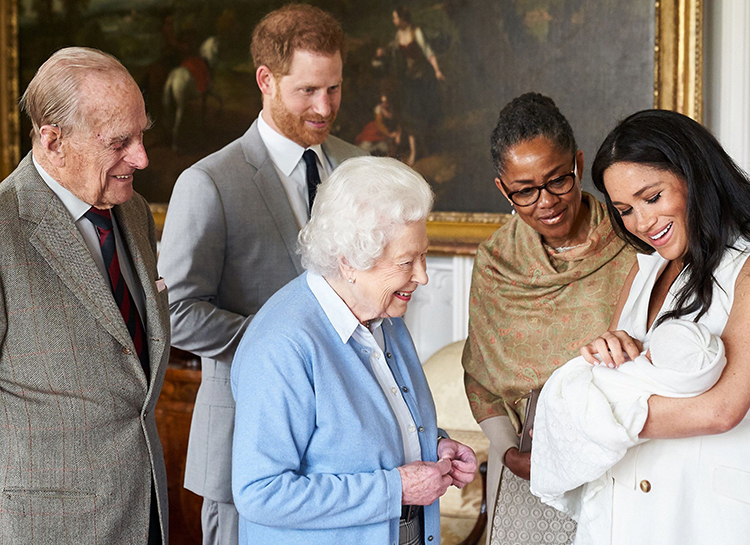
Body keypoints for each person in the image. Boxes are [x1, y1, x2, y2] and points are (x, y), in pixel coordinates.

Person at [157, 5, 365, 545]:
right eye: (308, 91)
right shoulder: (209, 183)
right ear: (266, 80)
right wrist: (285, 341)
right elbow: (175, 314)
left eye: (335, 89)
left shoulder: (358, 166)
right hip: (244, 441)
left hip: (347, 450)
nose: (324, 108)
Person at [231, 156, 477, 545]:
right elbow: (261, 493)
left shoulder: (386, 315)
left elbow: (363, 437)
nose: (423, 276)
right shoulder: (282, 345)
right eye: (406, 261)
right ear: (349, 261)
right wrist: (395, 490)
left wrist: (435, 444)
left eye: (423, 255)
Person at [0, 47, 170, 543]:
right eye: (120, 142)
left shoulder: (134, 213)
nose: (141, 158)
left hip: (147, 509)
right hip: (50, 526)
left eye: (142, 135)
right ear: (53, 141)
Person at [461, 93, 636, 545]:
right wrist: (509, 454)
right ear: (504, 189)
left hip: (625, 451)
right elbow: (481, 377)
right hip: (527, 461)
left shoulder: (634, 243)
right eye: (525, 191)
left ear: (577, 163)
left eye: (558, 180)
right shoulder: (496, 263)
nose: (547, 202)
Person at [571, 108, 750, 545]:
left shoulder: (744, 268)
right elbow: (611, 376)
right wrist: (608, 349)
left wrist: (592, 414)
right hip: (622, 506)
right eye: (625, 209)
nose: (642, 223)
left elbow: (722, 409)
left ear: (694, 174)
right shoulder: (645, 270)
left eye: (652, 197)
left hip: (699, 512)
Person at [531, 320, 725, 545]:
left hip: (668, 490)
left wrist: (562, 420)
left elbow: (603, 414)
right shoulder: (693, 375)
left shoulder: (645, 379)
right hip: (622, 490)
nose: (644, 354)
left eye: (649, 352)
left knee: (576, 396)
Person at [374, 6, 444, 165]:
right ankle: (414, 152)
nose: (394, 21)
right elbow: (392, 50)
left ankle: (430, 149)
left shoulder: (416, 32)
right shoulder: (398, 35)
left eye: (395, 18)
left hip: (422, 80)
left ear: (403, 19)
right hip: (408, 82)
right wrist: (382, 52)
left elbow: (428, 52)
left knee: (423, 115)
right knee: (410, 116)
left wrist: (437, 71)